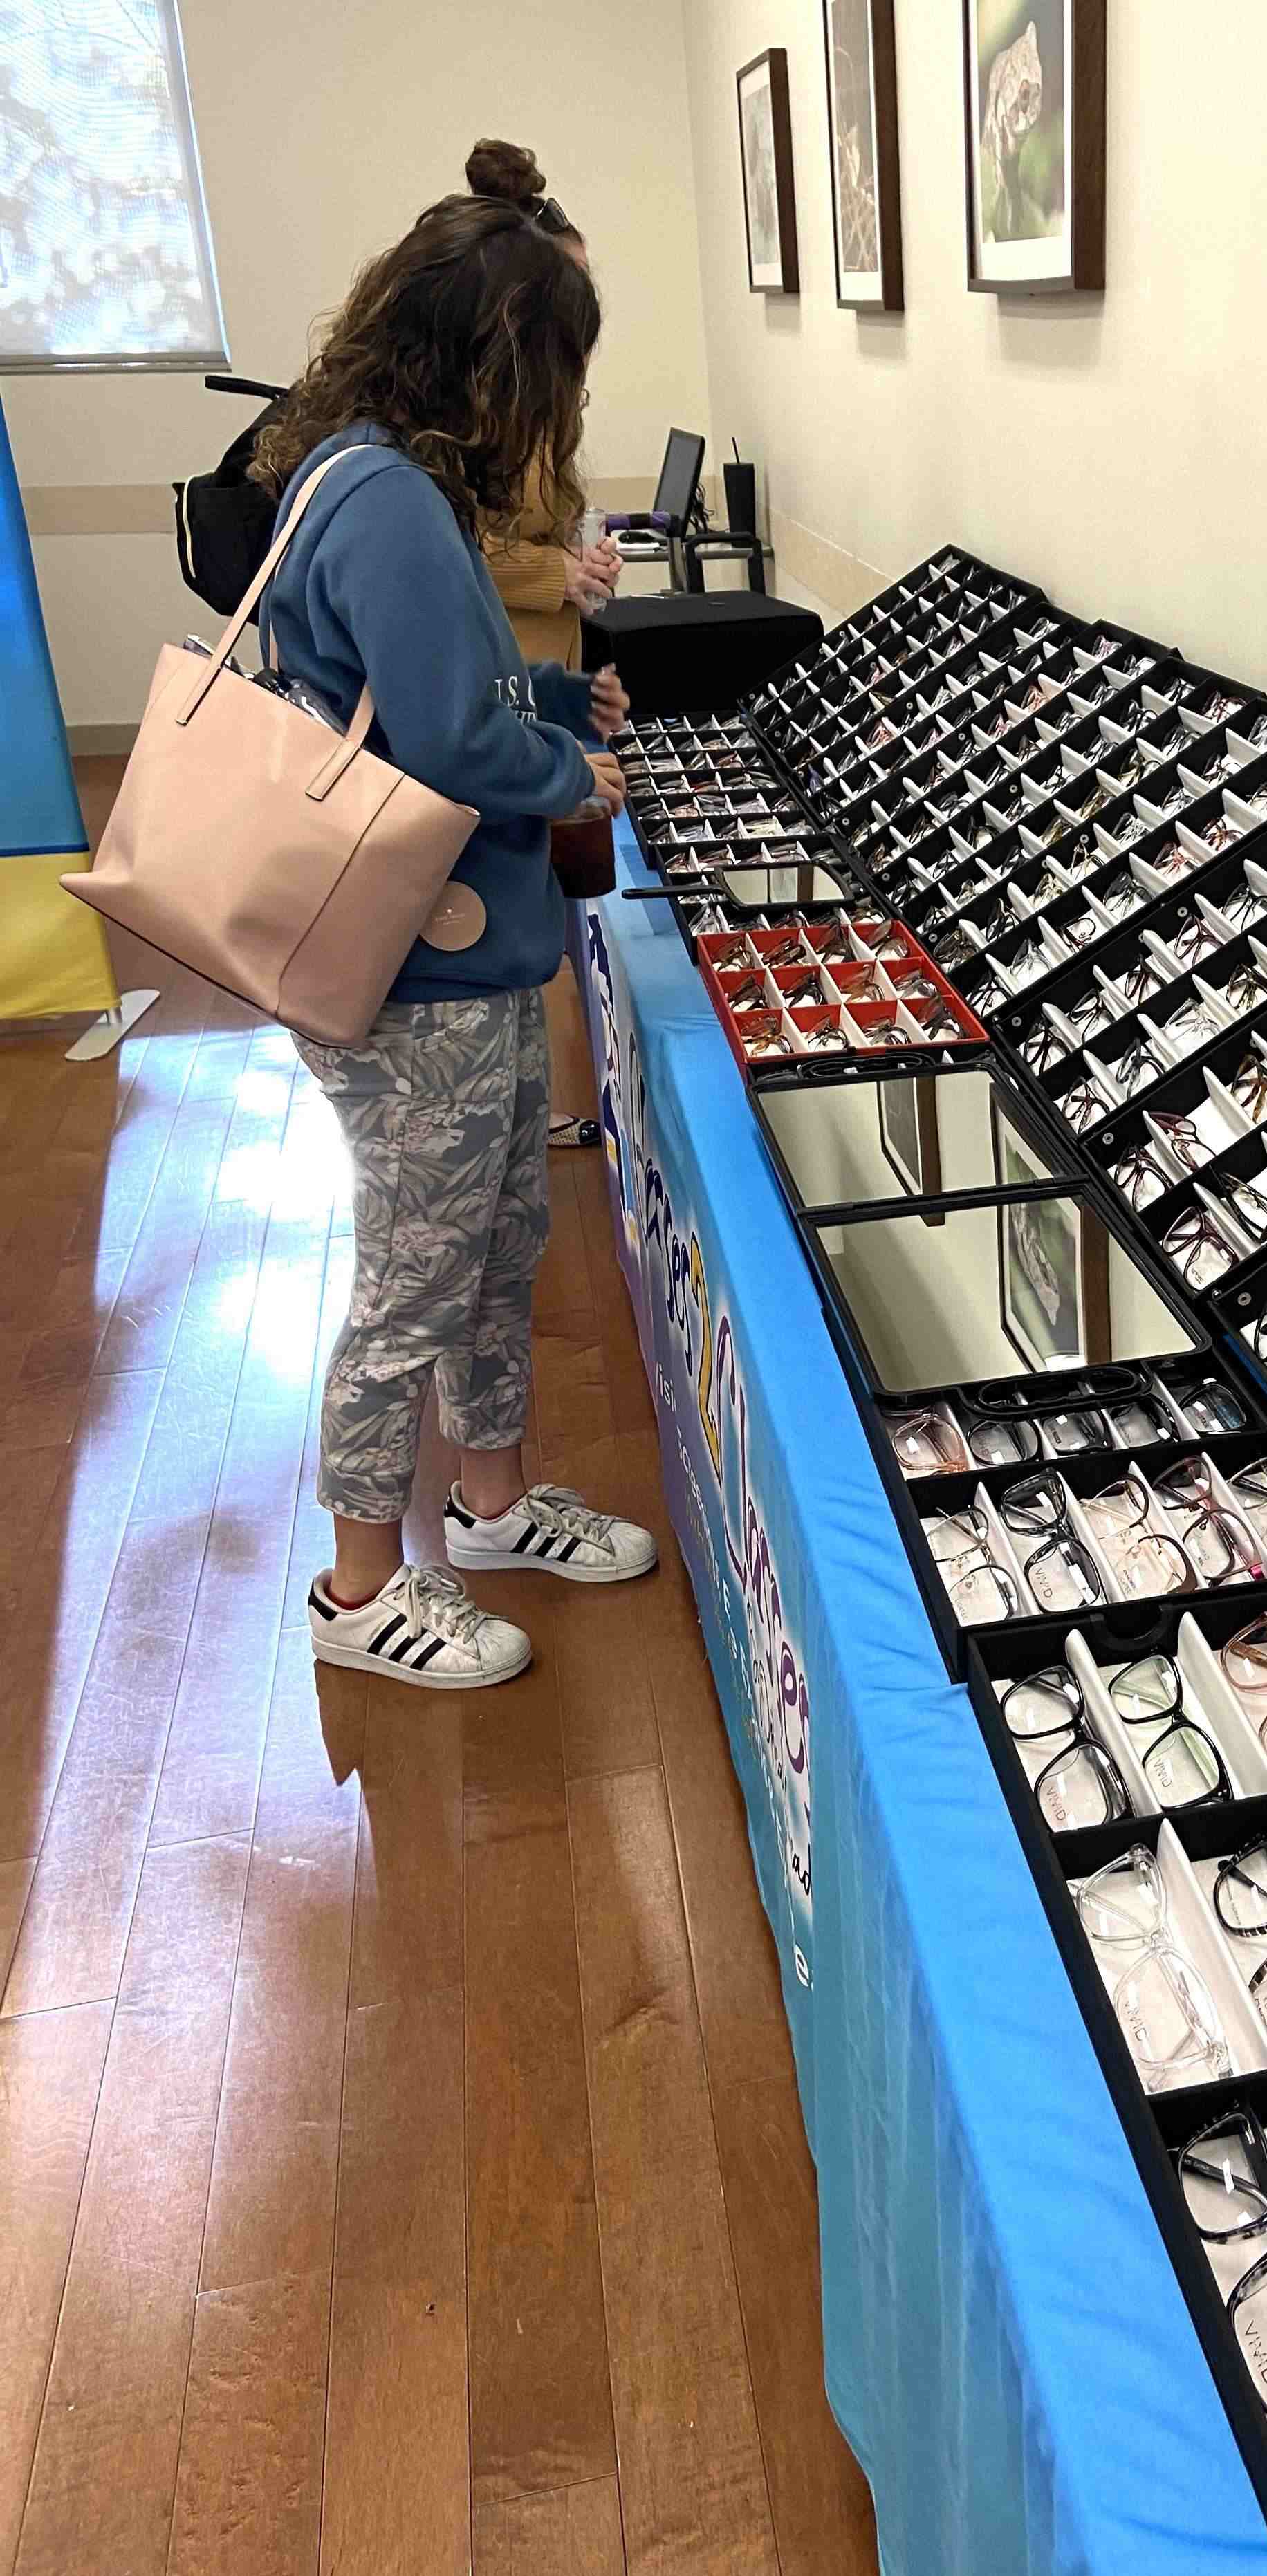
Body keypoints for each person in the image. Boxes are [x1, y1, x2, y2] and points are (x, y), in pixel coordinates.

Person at [252, 189, 657, 1692]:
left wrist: (556, 706)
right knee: (415, 1283)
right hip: (418, 976)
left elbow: (449, 685)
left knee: (492, 1251)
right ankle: (360, 1594)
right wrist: (571, 773)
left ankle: (488, 1511)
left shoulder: (377, 481)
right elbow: (437, 736)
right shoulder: (392, 505)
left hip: (460, 965)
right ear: (500, 364)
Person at [466, 138, 619, 1150]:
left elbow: (543, 520)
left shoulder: (544, 412)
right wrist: (554, 574)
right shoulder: (458, 431)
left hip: (542, 663)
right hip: (502, 668)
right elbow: (468, 542)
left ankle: (565, 1095)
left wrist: (583, 560)